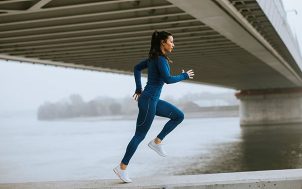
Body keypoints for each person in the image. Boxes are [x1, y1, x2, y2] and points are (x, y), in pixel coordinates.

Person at [113, 31, 194, 183]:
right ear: (163, 42)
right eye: (171, 41)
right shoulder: (160, 60)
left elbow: (137, 68)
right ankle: (121, 168)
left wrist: (138, 88)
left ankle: (157, 142)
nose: (173, 44)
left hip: (152, 100)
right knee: (139, 136)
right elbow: (168, 80)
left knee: (178, 116)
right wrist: (184, 75)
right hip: (149, 101)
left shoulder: (154, 58)